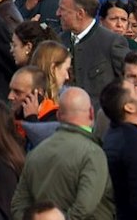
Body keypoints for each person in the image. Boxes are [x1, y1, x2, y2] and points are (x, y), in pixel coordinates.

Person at [9, 88, 113, 220]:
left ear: (58, 115)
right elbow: (85, 207)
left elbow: (18, 204)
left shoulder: (36, 152)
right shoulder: (93, 153)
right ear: (91, 113)